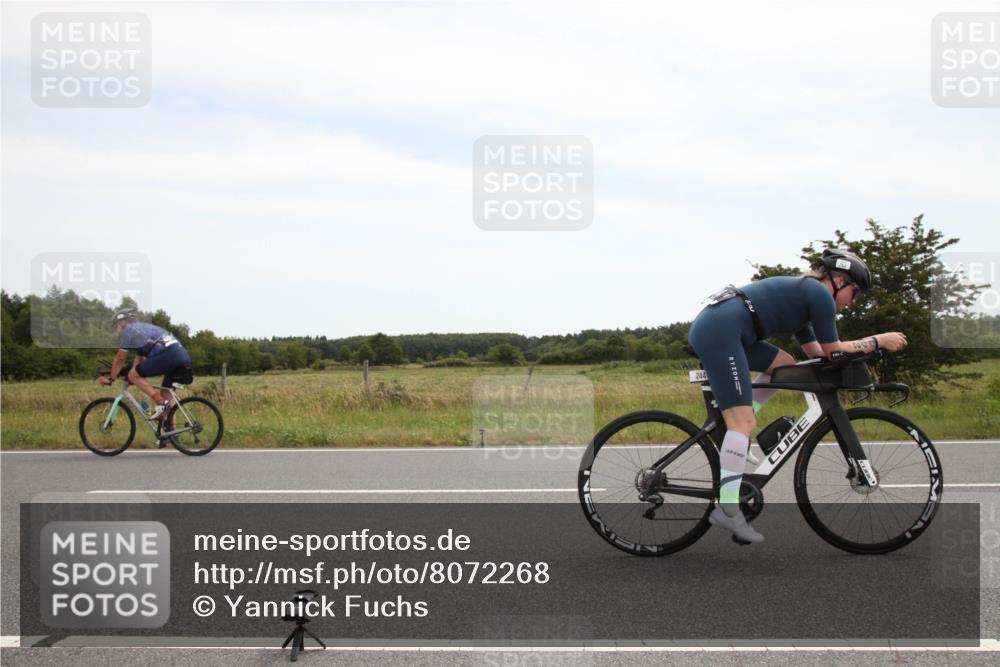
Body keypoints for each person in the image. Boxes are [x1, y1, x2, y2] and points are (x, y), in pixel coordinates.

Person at [687, 249, 908, 543]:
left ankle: (740, 419)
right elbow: (835, 349)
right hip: (721, 330)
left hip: (728, 328)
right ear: (840, 281)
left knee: (784, 366)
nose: (853, 303)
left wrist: (856, 353)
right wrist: (879, 340)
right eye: (855, 293)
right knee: (741, 424)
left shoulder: (806, 303)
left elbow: (819, 355)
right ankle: (727, 508)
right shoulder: (818, 293)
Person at [99, 310, 193, 420]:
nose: (116, 328)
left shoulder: (128, 331)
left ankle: (161, 403)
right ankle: (172, 434)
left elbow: (120, 358)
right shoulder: (142, 330)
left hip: (169, 355)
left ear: (123, 322)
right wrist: (131, 377)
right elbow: (140, 360)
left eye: (116, 324)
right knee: (166, 394)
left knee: (136, 377)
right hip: (181, 355)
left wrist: (111, 379)